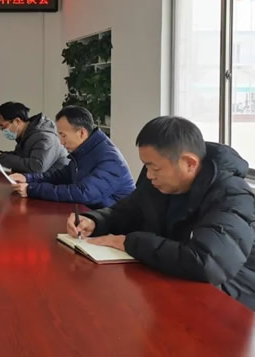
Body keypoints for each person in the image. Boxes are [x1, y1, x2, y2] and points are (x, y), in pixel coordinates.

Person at [67, 116, 255, 309]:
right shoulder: (159, 182)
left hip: (232, 301)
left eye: (154, 168)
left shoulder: (232, 196)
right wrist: (94, 221)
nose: (149, 175)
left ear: (189, 163)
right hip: (174, 284)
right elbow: (127, 212)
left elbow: (206, 263)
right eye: (146, 166)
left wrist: (129, 242)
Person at [10, 106, 134, 208]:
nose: (61, 142)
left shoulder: (110, 159)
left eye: (63, 135)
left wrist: (32, 189)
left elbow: (83, 193)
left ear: (81, 133)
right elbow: (60, 176)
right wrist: (28, 178)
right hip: (90, 215)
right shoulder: (85, 150)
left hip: (115, 225)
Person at [0, 101, 68, 173]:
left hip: (53, 182)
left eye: (3, 126)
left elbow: (36, 167)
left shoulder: (44, 137)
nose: (3, 130)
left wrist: (1, 158)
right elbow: (21, 157)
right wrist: (0, 154)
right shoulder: (27, 135)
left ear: (17, 121)